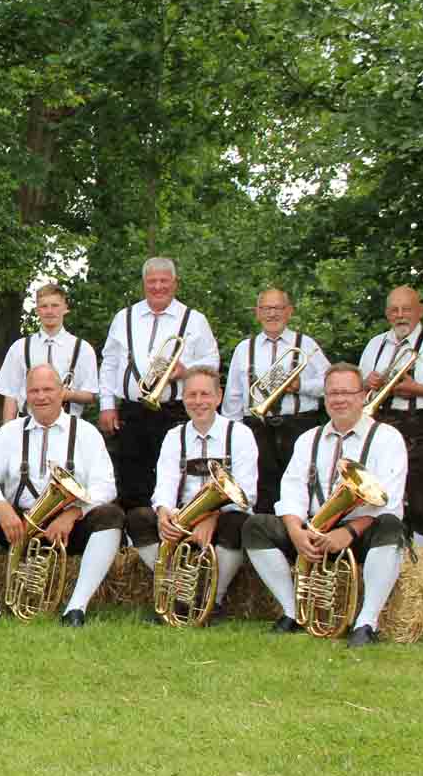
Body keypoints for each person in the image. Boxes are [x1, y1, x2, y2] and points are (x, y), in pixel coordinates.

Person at [240, 364, 409, 648]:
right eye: (333, 393)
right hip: (314, 531)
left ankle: (367, 623)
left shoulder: (387, 438)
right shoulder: (309, 439)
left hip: (361, 531)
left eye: (347, 392)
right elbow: (292, 490)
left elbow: (390, 501)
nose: (339, 399)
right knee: (255, 526)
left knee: (391, 525)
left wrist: (349, 533)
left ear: (364, 395)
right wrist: (296, 531)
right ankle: (294, 612)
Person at [0, 365, 124, 626]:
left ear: (62, 393)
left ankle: (76, 609)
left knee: (111, 515)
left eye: (48, 389)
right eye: (34, 390)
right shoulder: (9, 432)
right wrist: (1, 507)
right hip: (19, 527)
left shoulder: (85, 433)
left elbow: (106, 485)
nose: (41, 396)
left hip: (67, 529)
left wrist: (74, 513)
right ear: (26, 395)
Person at [128, 366, 259, 623]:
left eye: (205, 395)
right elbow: (164, 484)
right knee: (137, 519)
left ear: (218, 397)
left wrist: (211, 516)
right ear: (183, 398)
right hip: (182, 518)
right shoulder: (174, 436)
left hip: (223, 518)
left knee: (240, 524)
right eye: (192, 395)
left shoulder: (241, 435)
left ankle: (211, 601)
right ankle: (177, 594)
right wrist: (163, 512)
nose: (198, 402)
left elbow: (248, 494)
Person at [98, 257, 219, 512]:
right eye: (152, 281)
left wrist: (186, 371)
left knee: (173, 473)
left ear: (175, 284)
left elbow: (212, 363)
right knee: (130, 473)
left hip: (174, 410)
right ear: (144, 284)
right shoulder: (124, 318)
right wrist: (107, 405)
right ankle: (135, 538)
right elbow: (109, 363)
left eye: (164, 281)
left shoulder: (194, 319)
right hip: (132, 410)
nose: (158, 287)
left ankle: (169, 531)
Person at [358, 285, 423, 547]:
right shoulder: (376, 344)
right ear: (387, 314)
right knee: (380, 496)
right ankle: (386, 554)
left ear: (420, 311)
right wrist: (366, 381)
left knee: (422, 499)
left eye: (407, 309)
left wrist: (419, 389)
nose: (400, 315)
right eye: (394, 310)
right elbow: (358, 390)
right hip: (383, 424)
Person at [221, 287, 329, 514]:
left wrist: (301, 386)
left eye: (278, 308)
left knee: (300, 489)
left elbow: (330, 384)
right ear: (257, 313)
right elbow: (233, 399)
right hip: (257, 430)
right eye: (266, 309)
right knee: (263, 491)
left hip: (299, 426)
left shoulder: (306, 344)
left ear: (289, 311)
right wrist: (233, 437)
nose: (272, 314)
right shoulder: (244, 349)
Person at [0, 283, 99, 422]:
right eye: (44, 306)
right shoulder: (19, 347)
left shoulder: (83, 349)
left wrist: (66, 395)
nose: (49, 311)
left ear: (65, 308)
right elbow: (10, 394)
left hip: (68, 425)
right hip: (26, 424)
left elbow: (91, 395)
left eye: (55, 305)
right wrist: (6, 433)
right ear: (37, 310)